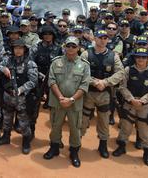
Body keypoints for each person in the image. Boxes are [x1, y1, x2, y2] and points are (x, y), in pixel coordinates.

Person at [43, 36, 90, 168]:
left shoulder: (84, 65)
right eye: (68, 46)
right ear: (64, 47)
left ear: (78, 48)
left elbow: (84, 85)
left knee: (75, 129)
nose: (70, 48)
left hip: (75, 103)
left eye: (73, 46)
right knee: (55, 126)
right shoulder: (56, 62)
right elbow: (51, 81)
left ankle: (74, 152)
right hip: (57, 102)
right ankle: (54, 148)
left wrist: (71, 99)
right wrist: (60, 98)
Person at [80, 30, 124, 158]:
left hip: (105, 94)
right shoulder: (86, 53)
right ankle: (76, 144)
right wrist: (94, 82)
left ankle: (103, 145)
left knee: (104, 120)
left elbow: (120, 73)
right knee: (83, 119)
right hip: (88, 92)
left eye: (105, 38)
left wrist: (105, 82)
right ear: (95, 39)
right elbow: (80, 71)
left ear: (108, 40)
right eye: (100, 38)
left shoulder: (113, 56)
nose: (102, 40)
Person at [0, 39, 38, 154]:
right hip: (8, 96)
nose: (18, 50)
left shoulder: (30, 63)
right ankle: (6, 137)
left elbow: (33, 81)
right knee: (7, 118)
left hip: (22, 98)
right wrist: (3, 68)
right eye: (16, 48)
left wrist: (21, 89)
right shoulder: (8, 60)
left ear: (24, 50)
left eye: (20, 48)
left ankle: (26, 142)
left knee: (23, 122)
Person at [112, 47, 148, 166]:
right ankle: (121, 147)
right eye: (138, 57)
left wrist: (143, 101)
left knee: (144, 130)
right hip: (130, 104)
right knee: (126, 127)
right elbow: (122, 87)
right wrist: (131, 99)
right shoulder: (128, 70)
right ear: (134, 58)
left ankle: (147, 153)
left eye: (143, 57)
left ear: (147, 58)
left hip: (145, 106)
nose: (141, 59)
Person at [30, 26, 63, 110]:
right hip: (37, 73)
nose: (47, 36)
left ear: (53, 36)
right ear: (42, 36)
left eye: (50, 34)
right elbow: (30, 63)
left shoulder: (59, 48)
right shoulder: (36, 47)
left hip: (54, 75)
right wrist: (39, 75)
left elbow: (63, 63)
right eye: (45, 34)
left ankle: (50, 99)